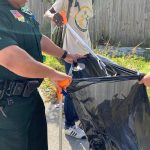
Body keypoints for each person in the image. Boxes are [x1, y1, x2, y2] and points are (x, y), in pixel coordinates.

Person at [0, 0, 84, 150]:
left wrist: (65, 55)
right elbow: (10, 58)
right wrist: (52, 74)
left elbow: (38, 38)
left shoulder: (24, 12)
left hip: (32, 98)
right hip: (7, 106)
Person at [44, 0, 93, 139]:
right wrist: (53, 16)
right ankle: (69, 126)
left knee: (83, 89)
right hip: (72, 54)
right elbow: (47, 13)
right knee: (72, 89)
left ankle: (78, 121)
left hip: (86, 51)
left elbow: (84, 27)